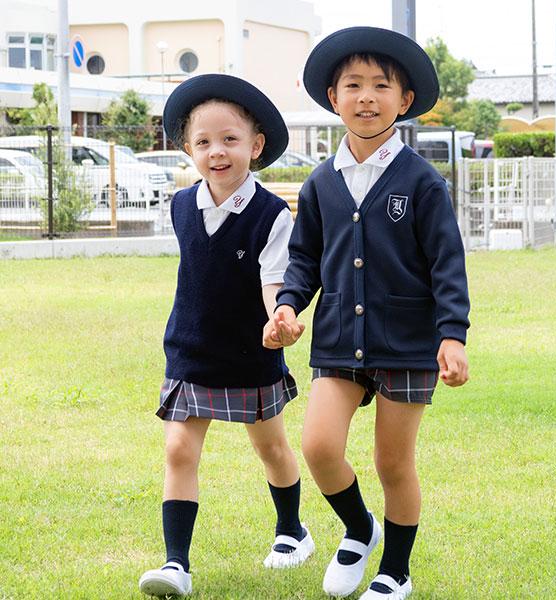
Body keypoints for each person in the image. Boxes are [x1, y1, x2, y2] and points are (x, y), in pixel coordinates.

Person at [263, 27, 470, 600]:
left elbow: (447, 265)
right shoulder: (320, 183)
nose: (367, 95)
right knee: (320, 446)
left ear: (404, 102)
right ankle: (359, 529)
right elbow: (304, 258)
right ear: (334, 98)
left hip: (407, 341)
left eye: (382, 85)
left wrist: (452, 336)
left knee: (392, 461)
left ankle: (395, 569)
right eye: (353, 84)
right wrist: (285, 306)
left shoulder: (423, 182)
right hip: (336, 338)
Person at [139, 74, 314, 598]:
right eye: (203, 142)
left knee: (272, 448)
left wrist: (279, 320)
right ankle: (176, 566)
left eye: (230, 140)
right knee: (177, 451)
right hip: (190, 350)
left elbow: (273, 280)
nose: (217, 152)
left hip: (249, 352)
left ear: (256, 147)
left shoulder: (270, 213)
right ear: (189, 149)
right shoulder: (180, 205)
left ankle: (292, 531)